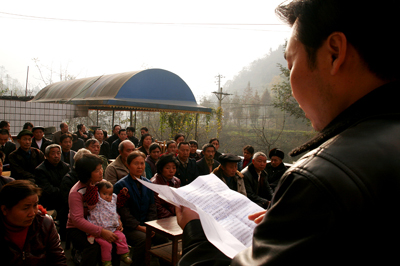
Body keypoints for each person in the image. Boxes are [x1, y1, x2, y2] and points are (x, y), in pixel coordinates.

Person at [176, 0, 400, 265]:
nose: (291, 86)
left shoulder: (318, 181)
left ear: (334, 53)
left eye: (292, 63)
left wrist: (197, 231)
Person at [114, 151, 167, 266]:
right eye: (136, 163)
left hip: (146, 224)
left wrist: (150, 226)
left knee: (164, 238)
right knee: (143, 239)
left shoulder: (148, 183)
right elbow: (123, 212)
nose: (139, 167)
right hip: (129, 227)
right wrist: (140, 227)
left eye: (142, 163)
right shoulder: (120, 185)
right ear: (128, 165)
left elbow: (152, 208)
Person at [67, 153, 121, 266]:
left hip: (102, 222)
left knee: (116, 242)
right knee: (94, 247)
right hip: (78, 228)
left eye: (101, 168)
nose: (101, 171)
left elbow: (110, 205)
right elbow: (77, 220)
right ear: (87, 173)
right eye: (97, 170)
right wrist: (101, 232)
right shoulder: (76, 192)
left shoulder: (101, 185)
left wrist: (118, 220)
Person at [0, 180, 66, 265]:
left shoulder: (44, 224)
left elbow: (58, 259)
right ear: (5, 209)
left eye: (35, 205)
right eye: (25, 208)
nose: (32, 213)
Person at [85, 180, 132, 266]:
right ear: (98, 193)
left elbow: (119, 202)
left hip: (113, 228)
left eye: (110, 194)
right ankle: (106, 262)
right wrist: (92, 188)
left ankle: (124, 254)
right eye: (104, 193)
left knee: (122, 237)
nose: (107, 196)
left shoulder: (113, 200)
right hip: (100, 231)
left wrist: (123, 194)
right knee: (106, 245)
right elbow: (90, 198)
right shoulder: (96, 200)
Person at [34, 144, 70, 214]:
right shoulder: (40, 170)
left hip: (65, 199)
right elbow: (47, 189)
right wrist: (63, 192)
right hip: (50, 201)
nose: (56, 156)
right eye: (53, 153)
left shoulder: (66, 166)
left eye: (58, 153)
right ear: (47, 156)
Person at [150, 154, 181, 219]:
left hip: (176, 216)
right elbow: (157, 207)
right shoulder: (154, 183)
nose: (171, 171)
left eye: (174, 168)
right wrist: (172, 217)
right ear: (161, 169)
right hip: (162, 218)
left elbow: (179, 201)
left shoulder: (177, 181)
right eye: (167, 168)